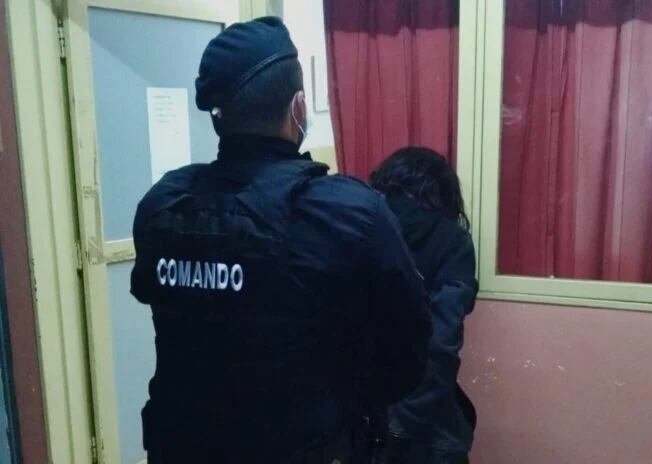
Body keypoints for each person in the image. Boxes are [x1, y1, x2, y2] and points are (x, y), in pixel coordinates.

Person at [130, 17, 431, 464]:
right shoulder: (351, 214)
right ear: (299, 107)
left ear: (218, 119)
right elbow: (409, 352)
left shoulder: (165, 203)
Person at [369, 147, 479, 464]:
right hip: (427, 418)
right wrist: (405, 422)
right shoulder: (452, 240)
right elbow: (441, 341)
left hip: (366, 412)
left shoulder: (362, 225)